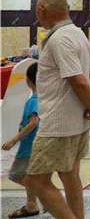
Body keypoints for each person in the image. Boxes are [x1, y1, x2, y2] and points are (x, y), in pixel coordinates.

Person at [26, 0, 90, 219]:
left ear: (41, 10)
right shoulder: (77, 34)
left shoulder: (59, 40)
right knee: (70, 174)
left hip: (58, 125)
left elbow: (80, 82)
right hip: (77, 124)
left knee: (35, 180)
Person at [2, 63, 41, 219]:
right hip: (34, 145)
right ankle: (32, 204)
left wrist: (14, 139)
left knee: (16, 174)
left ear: (28, 81)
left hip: (29, 147)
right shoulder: (43, 98)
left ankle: (45, 194)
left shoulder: (33, 101)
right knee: (28, 174)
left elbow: (33, 122)